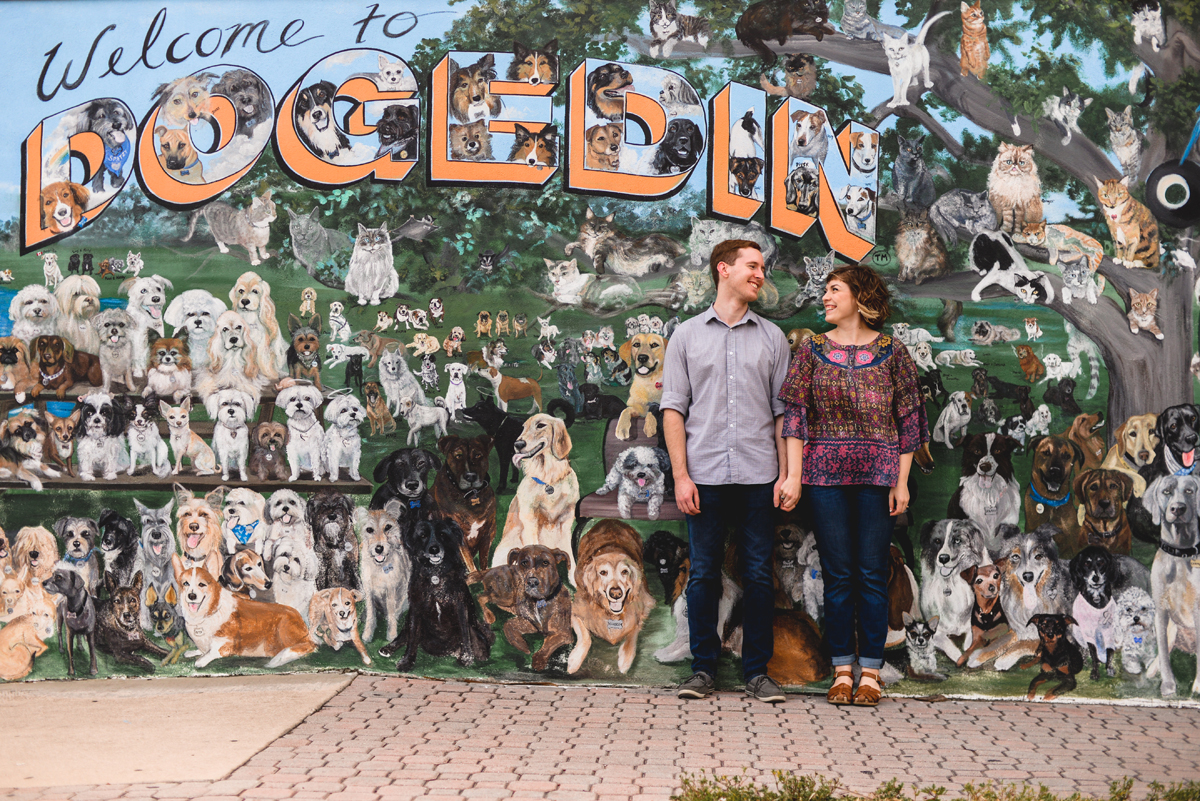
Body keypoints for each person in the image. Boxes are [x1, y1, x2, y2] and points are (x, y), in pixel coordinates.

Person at [777, 263, 929, 706]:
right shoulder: (812, 351)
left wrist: (901, 483)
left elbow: (909, 420)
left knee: (871, 575)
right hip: (824, 476)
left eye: (833, 290)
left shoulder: (892, 351)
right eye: (824, 290)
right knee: (838, 576)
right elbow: (796, 418)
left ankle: (872, 673)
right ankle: (843, 669)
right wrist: (793, 475)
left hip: (879, 478)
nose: (824, 297)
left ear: (860, 299)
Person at [660, 239, 794, 703]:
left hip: (759, 475)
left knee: (759, 574)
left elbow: (783, 415)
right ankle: (703, 669)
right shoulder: (687, 336)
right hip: (705, 475)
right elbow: (673, 409)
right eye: (752, 266)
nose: (761, 274)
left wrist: (785, 473)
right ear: (724, 269)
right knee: (703, 575)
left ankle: (757, 672)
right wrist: (680, 475)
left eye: (763, 268)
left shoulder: (773, 339)